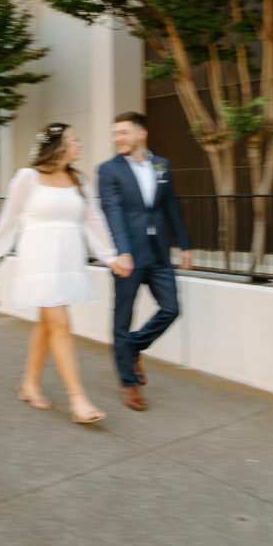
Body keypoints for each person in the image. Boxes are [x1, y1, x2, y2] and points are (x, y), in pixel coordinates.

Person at [0, 123, 130, 425]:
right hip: (38, 259)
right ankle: (78, 399)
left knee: (48, 324)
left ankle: (29, 383)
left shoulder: (78, 179)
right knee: (60, 322)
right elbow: (9, 218)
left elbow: (93, 220)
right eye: (75, 140)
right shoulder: (28, 177)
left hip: (67, 260)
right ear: (58, 144)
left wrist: (109, 256)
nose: (80, 145)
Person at [98, 112, 192, 411]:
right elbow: (112, 211)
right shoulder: (108, 170)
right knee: (122, 318)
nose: (118, 138)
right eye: (116, 134)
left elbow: (171, 206)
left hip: (159, 252)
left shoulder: (162, 164)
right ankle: (129, 383)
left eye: (124, 132)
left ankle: (134, 346)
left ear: (142, 134)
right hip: (129, 255)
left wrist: (184, 245)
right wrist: (122, 251)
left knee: (171, 309)